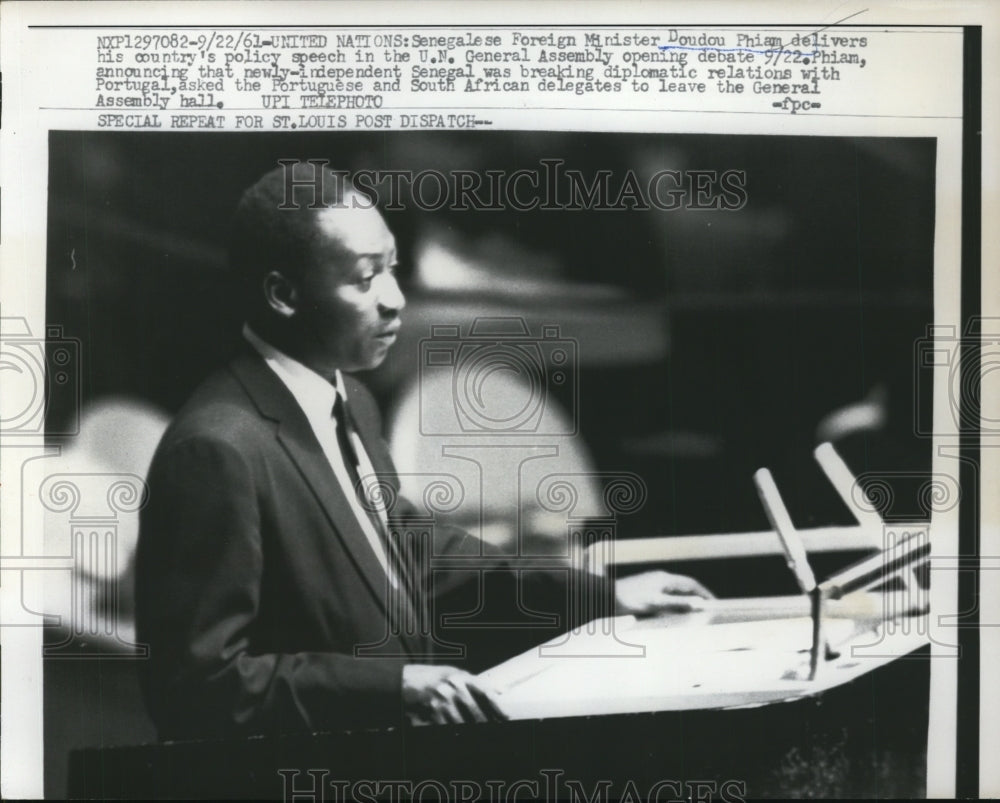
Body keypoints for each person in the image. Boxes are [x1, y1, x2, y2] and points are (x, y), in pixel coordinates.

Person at [135, 162, 712, 741]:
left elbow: (416, 557)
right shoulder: (215, 450)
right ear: (283, 294)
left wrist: (602, 595)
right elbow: (196, 689)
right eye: (364, 279)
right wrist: (398, 687)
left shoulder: (350, 401)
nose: (394, 300)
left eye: (392, 269)